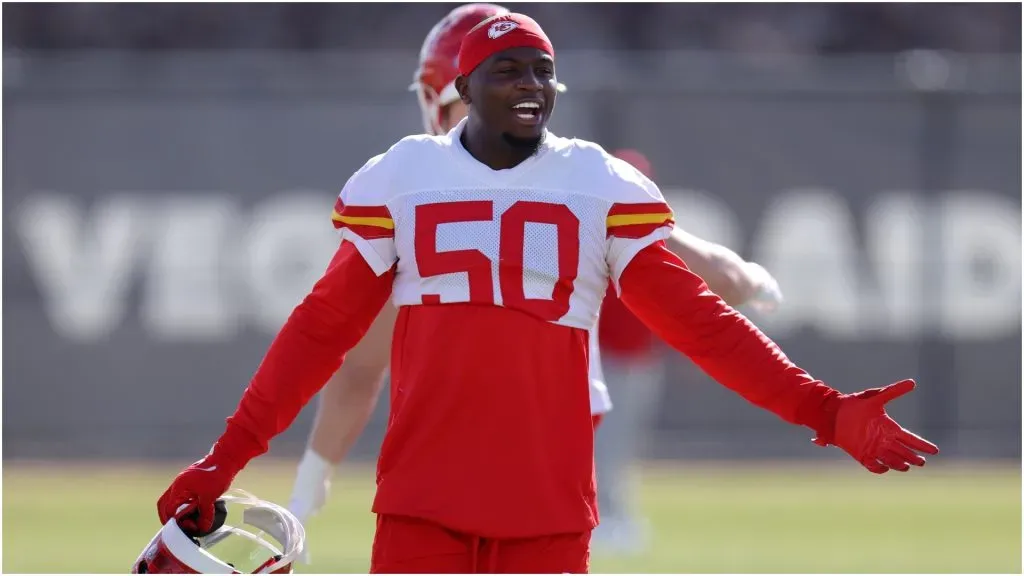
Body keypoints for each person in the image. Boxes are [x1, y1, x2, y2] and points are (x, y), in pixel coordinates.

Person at [157, 12, 939, 574]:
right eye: (509, 69)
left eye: (542, 70)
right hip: (422, 505)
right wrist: (223, 460)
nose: (531, 85)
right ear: (464, 84)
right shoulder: (401, 179)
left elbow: (700, 326)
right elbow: (319, 332)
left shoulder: (597, 184)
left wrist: (822, 409)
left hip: (549, 516)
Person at [287, 5, 784, 556]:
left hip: (456, 467)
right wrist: (746, 277)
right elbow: (722, 278)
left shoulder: (410, 190)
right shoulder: (578, 185)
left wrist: (312, 477)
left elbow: (360, 365)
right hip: (538, 465)